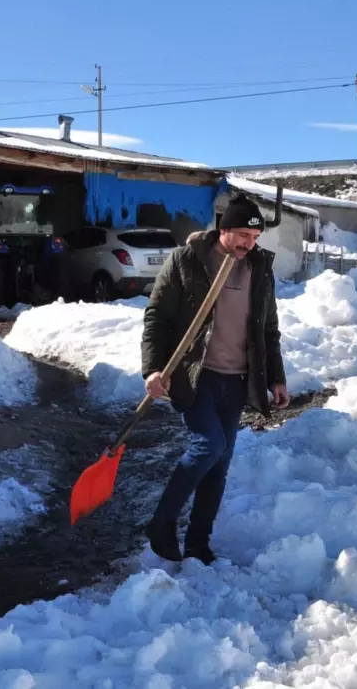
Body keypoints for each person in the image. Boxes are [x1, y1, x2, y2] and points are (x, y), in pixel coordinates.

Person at [140, 195, 290, 564]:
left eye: (254, 236)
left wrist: (276, 378)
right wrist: (153, 369)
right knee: (208, 446)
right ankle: (162, 523)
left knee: (219, 464)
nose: (247, 243)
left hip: (238, 379)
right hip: (196, 374)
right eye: (241, 234)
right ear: (222, 230)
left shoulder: (259, 267)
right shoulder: (187, 261)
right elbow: (157, 317)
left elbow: (267, 328)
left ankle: (197, 542)